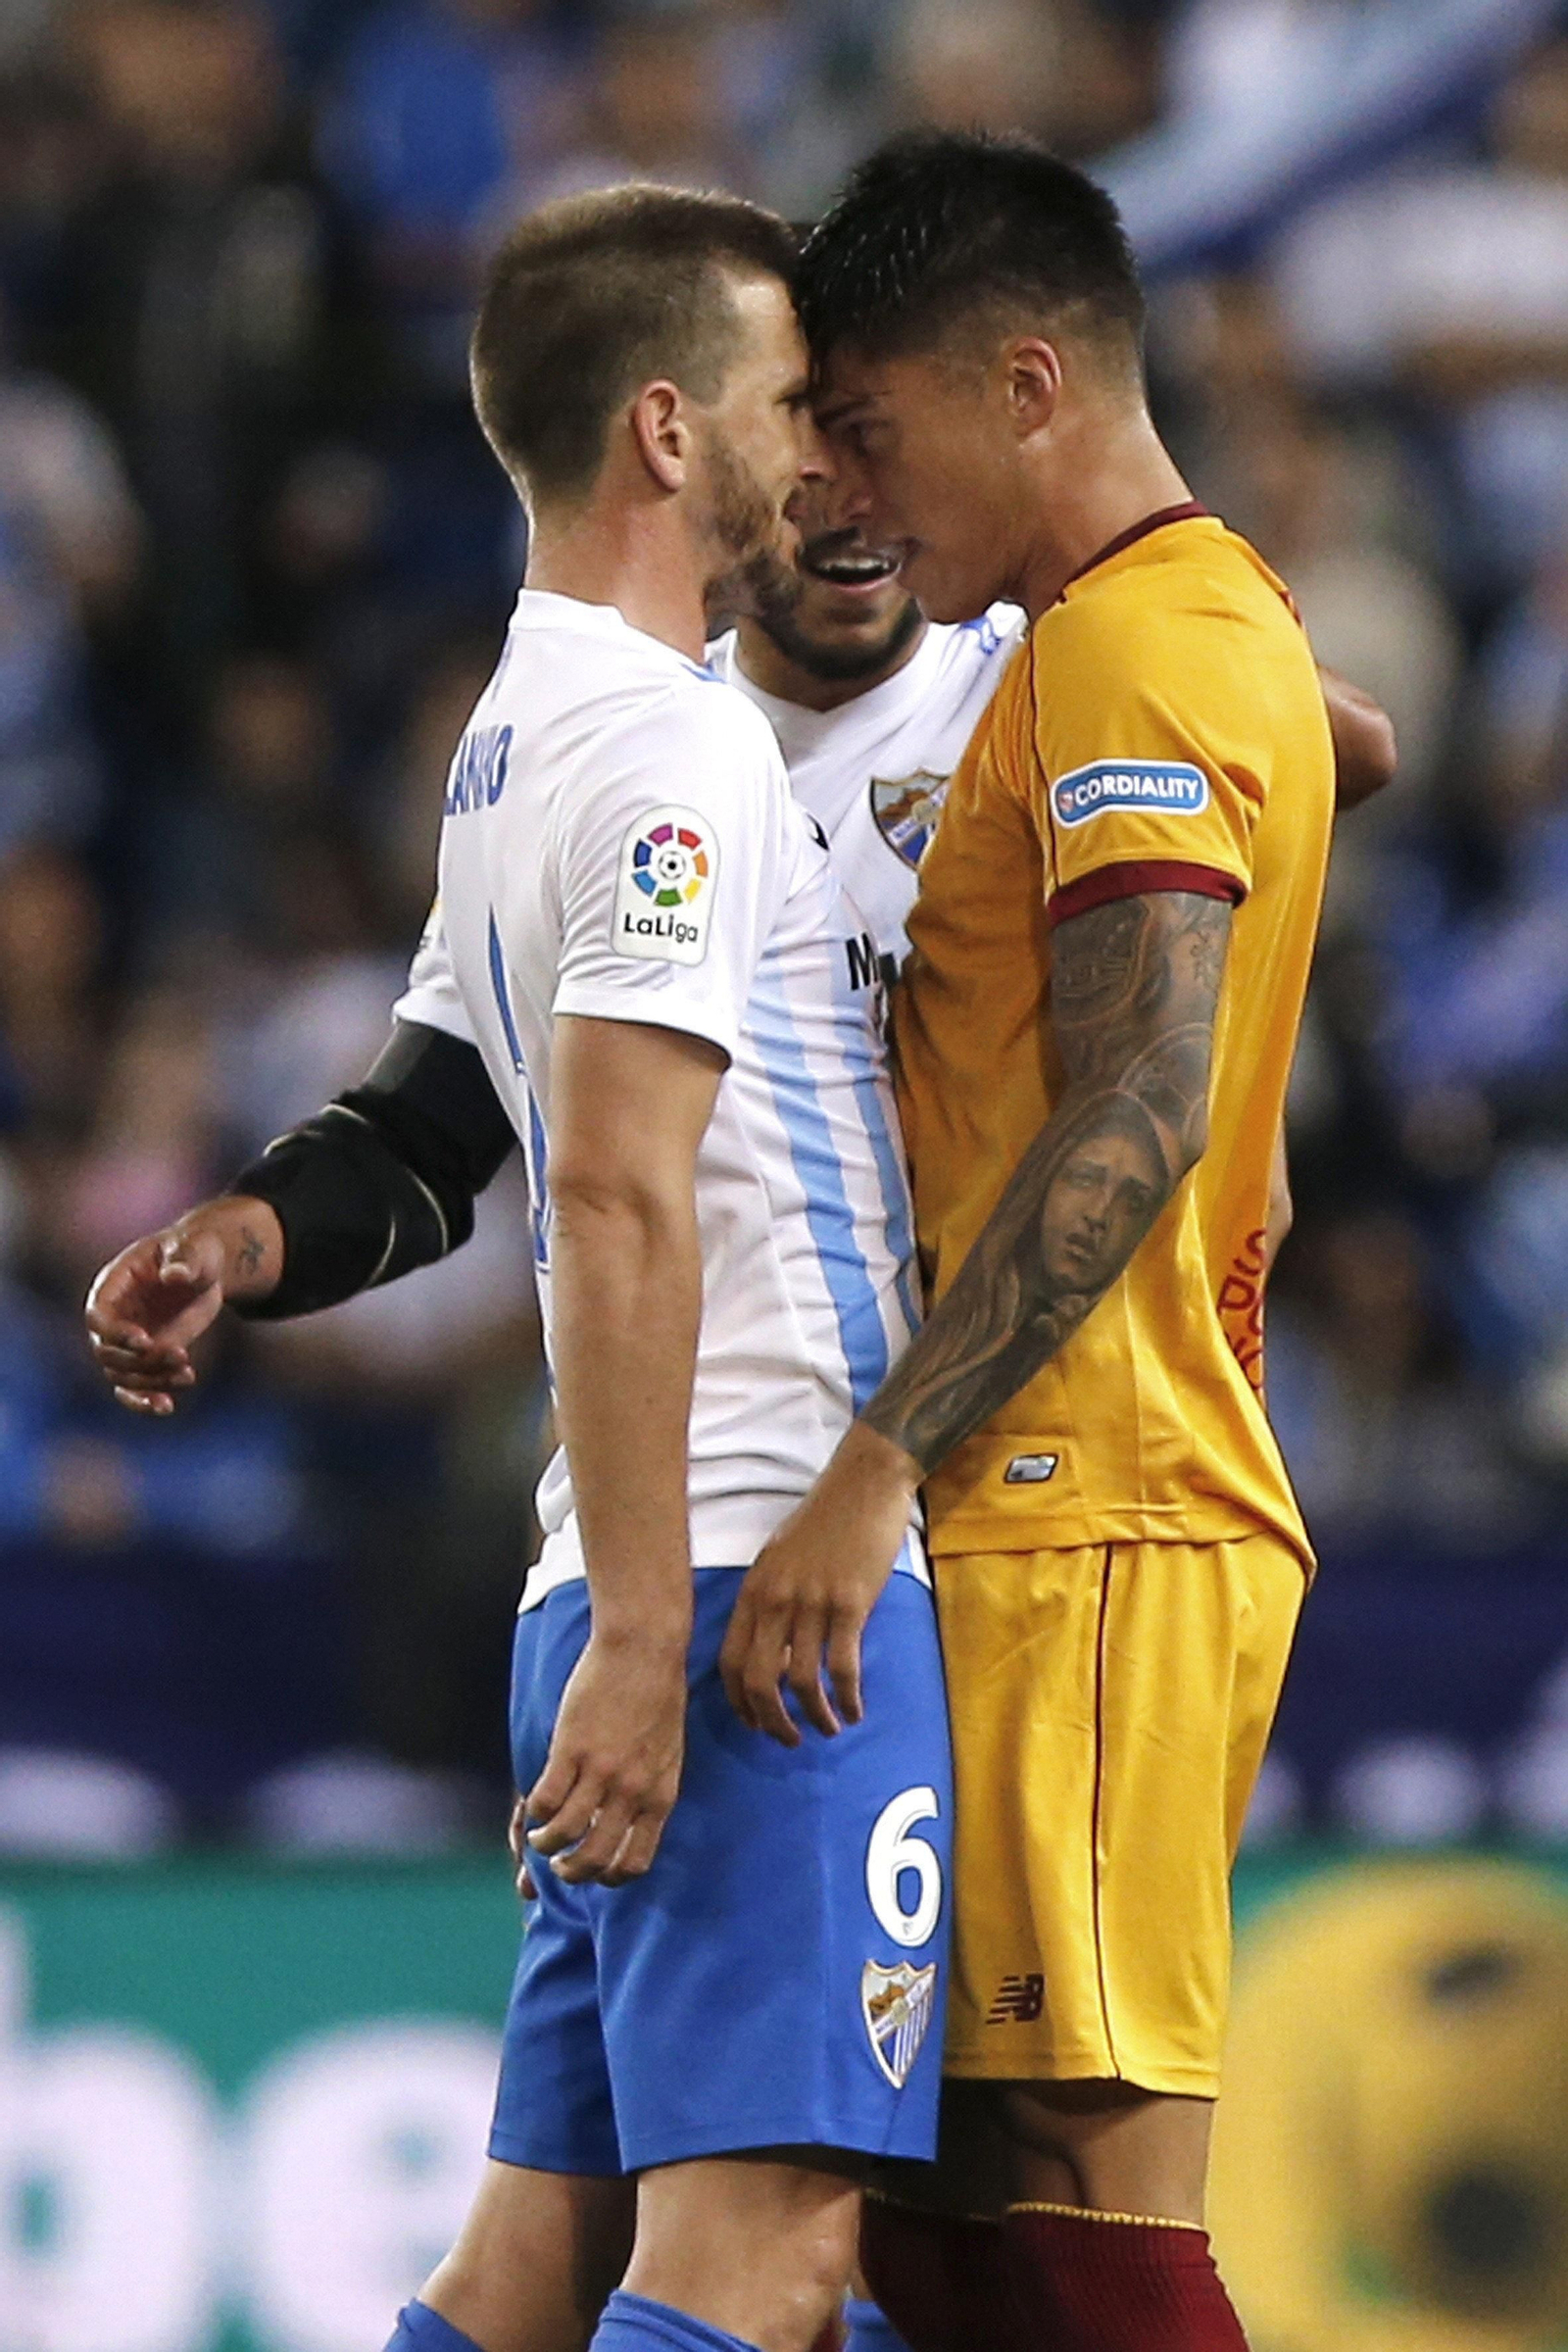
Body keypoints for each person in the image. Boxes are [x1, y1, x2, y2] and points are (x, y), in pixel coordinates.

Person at [89, 183, 954, 2352]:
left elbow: (429, 1118)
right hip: (754, 1603)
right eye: (778, 403)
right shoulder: (670, 746)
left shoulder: (519, 732)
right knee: (764, 2267)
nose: (815, 458)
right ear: (665, 430)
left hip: (621, 1577)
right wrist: (659, 1647)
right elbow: (609, 1196)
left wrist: (248, 1229)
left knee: (526, 2274)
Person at [717, 130, 1339, 2352]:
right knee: (964, 2198)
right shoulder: (1173, 629)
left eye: (869, 428)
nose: (852, 497)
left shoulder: (1140, 653)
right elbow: (1284, 755)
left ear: (1026, 383)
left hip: (1084, 1502)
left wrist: (873, 1458)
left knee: (1073, 2173)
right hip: (1062, 1501)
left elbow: (1141, 1108)